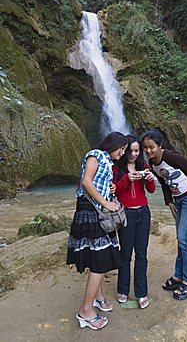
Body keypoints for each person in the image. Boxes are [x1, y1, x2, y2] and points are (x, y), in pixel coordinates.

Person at [141, 130, 187, 301]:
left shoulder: (171, 157)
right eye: (145, 148)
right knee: (181, 238)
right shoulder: (152, 163)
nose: (148, 151)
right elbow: (163, 182)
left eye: (151, 147)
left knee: (185, 238)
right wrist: (169, 201)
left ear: (160, 145)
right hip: (179, 200)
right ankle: (179, 276)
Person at [67, 132, 128, 330]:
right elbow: (86, 181)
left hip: (98, 211)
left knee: (99, 256)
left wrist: (109, 189)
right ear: (115, 145)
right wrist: (105, 202)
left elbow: (97, 183)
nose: (123, 152)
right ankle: (85, 311)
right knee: (100, 260)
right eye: (122, 148)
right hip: (90, 210)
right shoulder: (96, 154)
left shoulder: (109, 162)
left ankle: (97, 297)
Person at [112, 134, 156, 309]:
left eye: (137, 150)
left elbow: (151, 191)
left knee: (142, 253)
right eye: (130, 150)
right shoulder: (116, 168)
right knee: (125, 253)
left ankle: (141, 292)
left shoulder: (143, 166)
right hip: (126, 214)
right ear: (124, 150)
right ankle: (123, 289)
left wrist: (150, 179)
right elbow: (114, 192)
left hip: (143, 213)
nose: (134, 154)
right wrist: (126, 179)